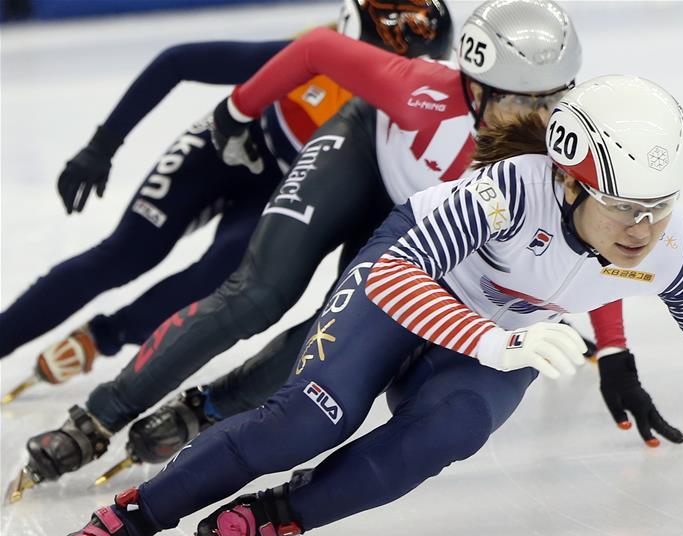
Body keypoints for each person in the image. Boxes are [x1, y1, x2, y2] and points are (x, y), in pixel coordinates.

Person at [15, 75, 683, 536]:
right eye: (628, 208)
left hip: (498, 338)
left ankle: (274, 516)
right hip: (413, 285)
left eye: (661, 205)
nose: (646, 230)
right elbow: (396, 281)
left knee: (451, 430)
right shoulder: (511, 192)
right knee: (309, 420)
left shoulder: (677, 245)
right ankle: (132, 516)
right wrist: (493, 339)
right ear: (572, 181)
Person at [10, 0, 683, 503]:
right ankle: (102, 412)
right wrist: (240, 111)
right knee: (257, 296)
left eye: (550, 100)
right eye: (513, 99)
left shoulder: (557, 154)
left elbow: (587, 256)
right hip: (361, 155)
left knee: (335, 332)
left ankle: (209, 407)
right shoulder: (419, 91)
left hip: (418, 221)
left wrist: (615, 351)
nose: (532, 119)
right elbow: (322, 54)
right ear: (471, 85)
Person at [0, 0, 453, 396]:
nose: (386, 85)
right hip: (224, 150)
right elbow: (177, 63)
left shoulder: (414, 107)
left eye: (408, 77)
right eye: (378, 67)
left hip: (285, 183)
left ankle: (105, 336)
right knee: (124, 255)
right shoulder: (315, 52)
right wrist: (103, 144)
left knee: (220, 277)